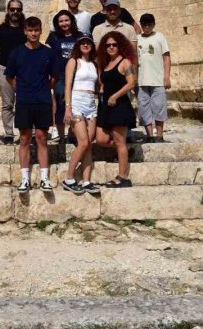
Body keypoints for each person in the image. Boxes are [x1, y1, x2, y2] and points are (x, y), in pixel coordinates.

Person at [6, 16, 57, 193]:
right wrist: (21, 90)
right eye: (30, 30)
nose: (33, 33)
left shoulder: (48, 52)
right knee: (25, 138)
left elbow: (54, 77)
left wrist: (42, 89)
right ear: (25, 31)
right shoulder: (16, 52)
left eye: (36, 30)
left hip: (42, 100)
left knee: (42, 138)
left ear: (41, 31)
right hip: (24, 101)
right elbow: (9, 76)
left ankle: (44, 179)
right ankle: (25, 179)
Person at [94, 31, 137, 188]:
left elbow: (131, 83)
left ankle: (123, 177)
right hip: (106, 106)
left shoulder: (125, 62)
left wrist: (115, 96)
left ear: (120, 46)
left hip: (120, 106)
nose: (111, 47)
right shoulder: (105, 64)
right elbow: (104, 82)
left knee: (119, 141)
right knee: (101, 139)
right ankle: (125, 150)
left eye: (114, 44)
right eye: (108, 45)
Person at [61, 34, 100, 195]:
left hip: (91, 102)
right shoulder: (73, 62)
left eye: (88, 43)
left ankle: (86, 181)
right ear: (78, 46)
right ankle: (69, 178)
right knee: (83, 142)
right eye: (82, 43)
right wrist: (68, 108)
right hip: (77, 101)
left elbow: (97, 85)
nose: (85, 45)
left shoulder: (93, 64)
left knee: (89, 143)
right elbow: (68, 85)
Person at [0, 0, 26, 142]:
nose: (15, 12)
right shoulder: (0, 29)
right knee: (7, 103)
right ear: (8, 11)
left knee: (26, 102)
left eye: (18, 9)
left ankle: (26, 132)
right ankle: (9, 134)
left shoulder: (25, 29)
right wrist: (6, 61)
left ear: (21, 11)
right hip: (4, 69)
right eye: (12, 9)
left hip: (24, 70)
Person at [45, 10, 81, 144]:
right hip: (59, 75)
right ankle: (61, 135)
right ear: (57, 23)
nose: (64, 23)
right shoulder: (53, 37)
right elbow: (46, 54)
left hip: (77, 75)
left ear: (71, 21)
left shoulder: (79, 36)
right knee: (60, 104)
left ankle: (73, 133)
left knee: (76, 104)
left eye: (66, 20)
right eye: (61, 21)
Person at [136, 13, 171, 141]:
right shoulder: (137, 38)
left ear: (154, 24)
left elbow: (166, 57)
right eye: (144, 23)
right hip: (141, 80)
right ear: (141, 24)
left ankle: (159, 135)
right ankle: (149, 136)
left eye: (149, 23)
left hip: (157, 79)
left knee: (159, 107)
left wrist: (166, 76)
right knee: (144, 108)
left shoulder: (160, 37)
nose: (147, 26)